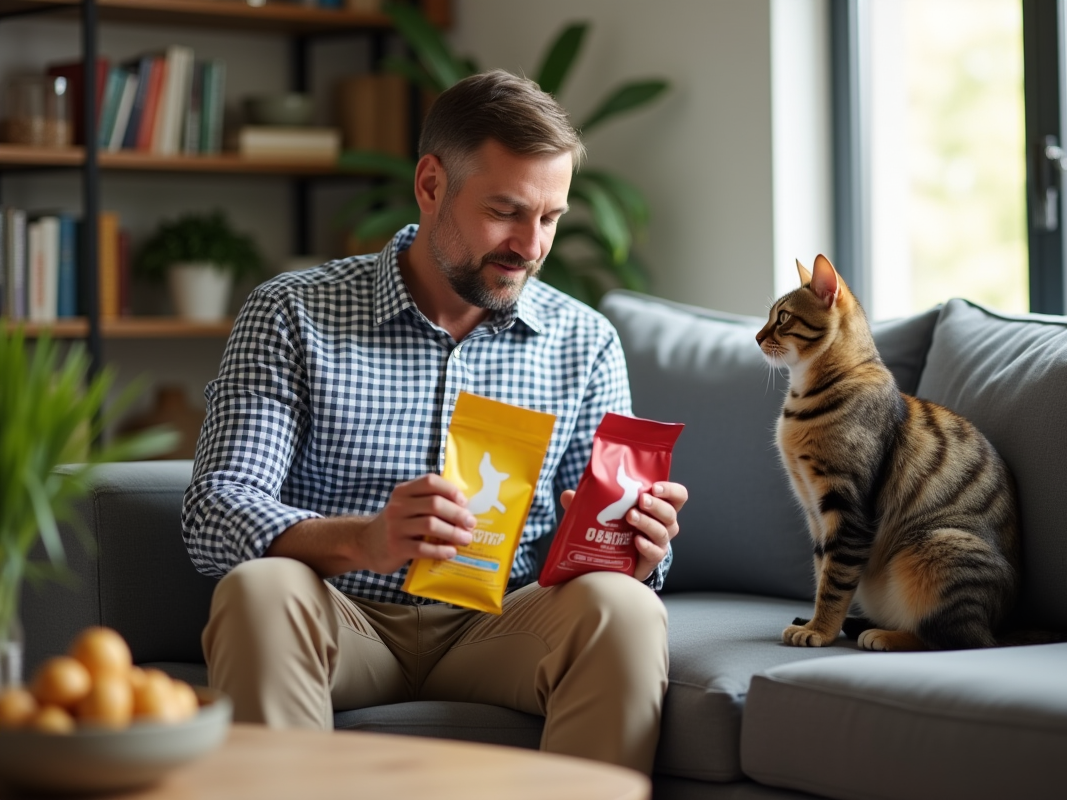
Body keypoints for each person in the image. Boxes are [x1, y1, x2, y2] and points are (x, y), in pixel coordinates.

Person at [181, 69, 688, 776]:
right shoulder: (292, 313)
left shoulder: (585, 341)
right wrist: (365, 539)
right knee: (258, 589)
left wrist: (634, 550)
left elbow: (598, 549)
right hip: (344, 614)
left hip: (502, 627)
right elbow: (216, 512)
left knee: (624, 609)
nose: (530, 245)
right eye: (506, 211)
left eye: (550, 218)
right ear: (430, 185)